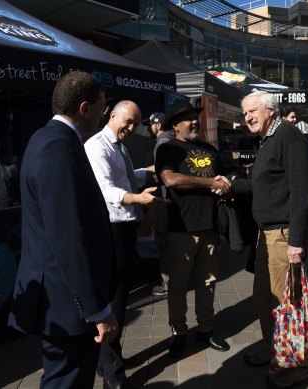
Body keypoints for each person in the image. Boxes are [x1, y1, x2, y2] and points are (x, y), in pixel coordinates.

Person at [8, 71, 118, 389]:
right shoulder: (58, 148)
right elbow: (69, 237)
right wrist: (97, 309)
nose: (103, 114)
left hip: (63, 300)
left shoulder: (49, 139)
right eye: (101, 107)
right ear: (84, 108)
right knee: (66, 382)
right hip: (68, 305)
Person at [231, 91, 308, 388]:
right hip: (265, 236)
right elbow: (258, 184)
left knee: (286, 304)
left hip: (282, 236)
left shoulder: (288, 136)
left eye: (253, 111)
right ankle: (274, 351)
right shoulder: (267, 140)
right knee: (264, 298)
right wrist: (228, 185)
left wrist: (295, 241)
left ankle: (295, 366)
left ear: (271, 110)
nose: (248, 117)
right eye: (245, 113)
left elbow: (303, 191)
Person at [84, 100, 168, 389]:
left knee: (119, 298)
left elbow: (123, 179)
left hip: (123, 228)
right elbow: (106, 189)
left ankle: (107, 361)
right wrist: (140, 198)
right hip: (110, 230)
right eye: (128, 121)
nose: (131, 128)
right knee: (113, 304)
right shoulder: (97, 146)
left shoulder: (118, 147)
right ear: (113, 114)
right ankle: (113, 377)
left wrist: (147, 172)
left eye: (136, 124)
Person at [155, 94, 231, 359]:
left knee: (207, 282)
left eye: (195, 117)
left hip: (209, 227)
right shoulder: (168, 149)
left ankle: (206, 330)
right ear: (175, 125)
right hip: (180, 229)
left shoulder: (210, 149)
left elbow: (224, 176)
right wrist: (211, 184)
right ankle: (178, 333)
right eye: (188, 119)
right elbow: (170, 179)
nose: (194, 121)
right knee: (177, 285)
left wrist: (227, 183)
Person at [144, 111, 174, 298]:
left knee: (164, 241)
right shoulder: (176, 139)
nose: (148, 128)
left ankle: (168, 284)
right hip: (175, 201)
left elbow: (161, 173)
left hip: (164, 199)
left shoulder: (162, 143)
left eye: (150, 125)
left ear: (157, 125)